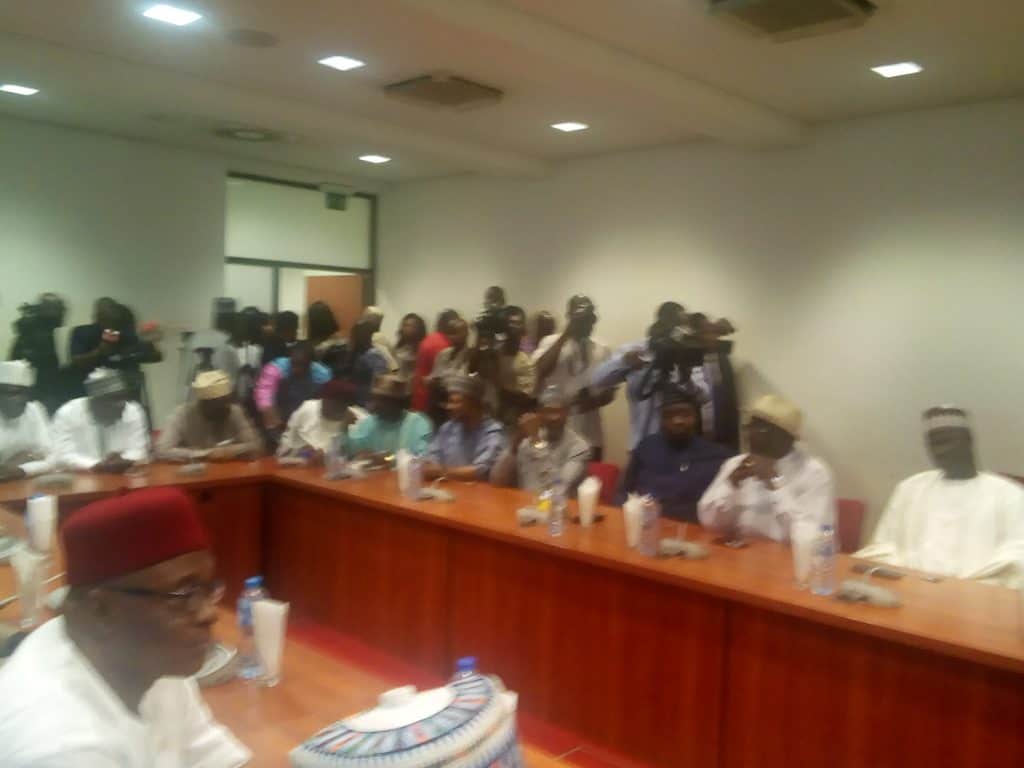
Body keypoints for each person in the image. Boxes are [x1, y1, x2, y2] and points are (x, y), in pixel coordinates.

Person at [0, 487, 251, 766]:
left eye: (206, 588)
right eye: (183, 593)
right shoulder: (60, 749)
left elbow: (213, 758)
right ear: (100, 610)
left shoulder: (149, 656)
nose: (209, 613)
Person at [854, 406, 1024, 587]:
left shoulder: (1009, 494)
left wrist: (958, 589)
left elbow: (1016, 559)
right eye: (933, 444)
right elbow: (883, 547)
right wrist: (910, 580)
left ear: (968, 440)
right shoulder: (910, 488)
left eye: (947, 441)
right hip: (908, 590)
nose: (940, 451)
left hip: (979, 596)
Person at [592, 302, 734, 452]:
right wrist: (624, 362)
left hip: (682, 446)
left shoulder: (688, 353)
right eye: (671, 322)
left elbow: (704, 397)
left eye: (679, 325)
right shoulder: (637, 349)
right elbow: (598, 380)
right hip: (643, 444)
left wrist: (686, 379)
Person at [698, 394, 835, 542]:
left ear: (787, 438)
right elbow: (708, 522)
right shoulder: (734, 464)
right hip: (738, 552)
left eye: (762, 429)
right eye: (749, 426)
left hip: (786, 556)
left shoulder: (814, 472)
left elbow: (814, 538)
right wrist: (731, 484)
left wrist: (775, 482)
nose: (750, 434)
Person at [619, 386, 734, 522]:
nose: (678, 421)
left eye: (685, 414)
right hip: (644, 524)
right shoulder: (646, 447)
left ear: (696, 417)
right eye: (670, 415)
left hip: (692, 530)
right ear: (661, 419)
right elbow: (623, 492)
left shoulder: (718, 455)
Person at [532, 295, 614, 461]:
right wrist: (567, 333)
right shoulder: (550, 342)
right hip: (554, 430)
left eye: (589, 317)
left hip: (590, 431)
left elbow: (610, 392)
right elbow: (540, 370)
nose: (586, 323)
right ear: (569, 316)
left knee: (591, 474)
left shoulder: (602, 348)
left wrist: (592, 401)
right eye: (580, 317)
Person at [490, 384, 590, 493]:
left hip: (558, 503)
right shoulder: (526, 440)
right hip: (526, 502)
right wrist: (514, 446)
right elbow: (496, 481)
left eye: (558, 411)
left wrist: (536, 442)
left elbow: (557, 488)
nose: (554, 418)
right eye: (548, 411)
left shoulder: (579, 447)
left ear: (567, 413)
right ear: (539, 413)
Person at [67, 298, 162, 407]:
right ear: (98, 318)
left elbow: (156, 357)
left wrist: (149, 342)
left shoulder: (126, 334)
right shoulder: (83, 332)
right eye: (106, 319)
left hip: (127, 393)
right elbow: (76, 361)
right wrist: (99, 352)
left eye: (114, 320)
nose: (111, 326)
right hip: (93, 393)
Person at [52, 368, 150, 473]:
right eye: (112, 399)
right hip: (80, 476)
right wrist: (96, 465)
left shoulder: (132, 411)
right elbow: (62, 455)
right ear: (94, 401)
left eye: (122, 398)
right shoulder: (67, 413)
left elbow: (139, 450)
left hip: (121, 475)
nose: (121, 405)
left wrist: (123, 460)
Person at [156, 371, 263, 463]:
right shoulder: (182, 414)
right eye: (217, 405)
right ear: (203, 404)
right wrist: (206, 454)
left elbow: (256, 445)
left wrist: (231, 450)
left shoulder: (234, 411)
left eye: (226, 402)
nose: (225, 408)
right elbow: (161, 450)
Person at [423, 374, 505, 482]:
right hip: (445, 488)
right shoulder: (447, 428)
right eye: (449, 402)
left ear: (473, 403)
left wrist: (442, 472)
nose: (449, 407)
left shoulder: (493, 432)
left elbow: (480, 471)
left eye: (455, 402)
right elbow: (430, 460)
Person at [254, 342, 331, 446]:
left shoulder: (322, 375)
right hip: (278, 415)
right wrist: (277, 423)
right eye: (293, 364)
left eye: (301, 365)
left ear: (311, 364)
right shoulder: (275, 368)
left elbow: (323, 401)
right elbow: (264, 395)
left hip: (304, 418)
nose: (296, 369)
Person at [472, 305, 536, 426]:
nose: (512, 327)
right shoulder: (494, 351)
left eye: (517, 323)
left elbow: (524, 399)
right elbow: (472, 370)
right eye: (509, 322)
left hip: (509, 421)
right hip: (484, 417)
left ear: (523, 327)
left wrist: (497, 383)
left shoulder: (526, 359)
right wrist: (481, 333)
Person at [348, 374, 433, 463]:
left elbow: (421, 459)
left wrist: (389, 459)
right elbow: (352, 450)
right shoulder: (370, 422)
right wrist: (344, 429)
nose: (376, 405)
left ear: (398, 403)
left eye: (383, 400)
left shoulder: (417, 424)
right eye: (375, 399)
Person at [277, 378, 362, 462]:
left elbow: (357, 457)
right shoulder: (307, 409)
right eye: (327, 400)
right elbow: (283, 449)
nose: (329, 406)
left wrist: (345, 430)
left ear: (346, 405)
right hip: (300, 466)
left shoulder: (358, 419)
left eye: (338, 404)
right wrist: (303, 452)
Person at [8, 292, 67, 414]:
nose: (62, 312)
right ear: (47, 309)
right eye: (59, 308)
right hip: (37, 389)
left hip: (36, 387)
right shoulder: (38, 331)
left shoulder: (42, 328)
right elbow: (38, 363)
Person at [0, 360, 55, 482]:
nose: (22, 400)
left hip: (26, 483)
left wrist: (21, 469)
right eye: (14, 393)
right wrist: (31, 457)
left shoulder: (34, 410)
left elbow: (53, 459)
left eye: (26, 393)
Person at [337, 318, 395, 406]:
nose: (352, 338)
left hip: (366, 402)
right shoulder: (356, 353)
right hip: (354, 398)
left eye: (356, 335)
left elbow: (380, 382)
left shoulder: (374, 356)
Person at [412, 309, 459, 412]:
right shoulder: (442, 345)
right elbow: (441, 377)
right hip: (431, 398)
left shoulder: (430, 339)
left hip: (420, 393)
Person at [428, 317, 471, 422]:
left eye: (456, 332)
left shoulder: (471, 355)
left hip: (460, 405)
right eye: (450, 333)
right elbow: (435, 377)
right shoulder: (443, 354)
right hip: (440, 403)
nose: (452, 336)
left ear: (466, 334)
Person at [362, 305, 399, 370]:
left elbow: (391, 362)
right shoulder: (368, 336)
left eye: (368, 318)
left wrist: (394, 370)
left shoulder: (377, 337)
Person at [394, 313, 427, 381]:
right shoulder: (399, 350)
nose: (407, 329)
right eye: (405, 325)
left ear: (419, 329)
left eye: (412, 326)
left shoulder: (424, 349)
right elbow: (394, 371)